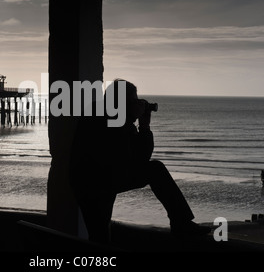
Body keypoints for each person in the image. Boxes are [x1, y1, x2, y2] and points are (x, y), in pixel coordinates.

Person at [69, 79, 211, 243]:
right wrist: (139, 125)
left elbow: (136, 158)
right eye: (133, 101)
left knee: (99, 234)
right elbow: (137, 159)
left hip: (95, 180)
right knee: (155, 170)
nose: (137, 105)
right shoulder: (108, 117)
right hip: (97, 181)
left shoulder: (101, 112)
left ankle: (181, 223)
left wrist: (142, 125)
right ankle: (181, 223)